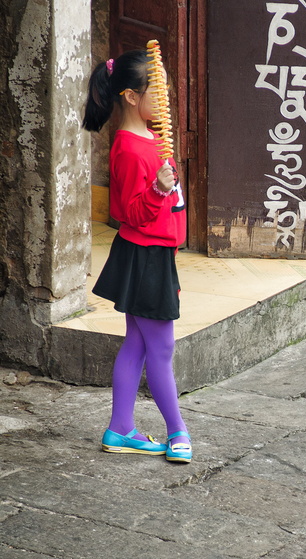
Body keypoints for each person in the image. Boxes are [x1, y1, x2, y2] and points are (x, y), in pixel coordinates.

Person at [82, 49, 192, 464]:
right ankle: (178, 431)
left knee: (138, 344)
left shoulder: (150, 137)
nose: (164, 101)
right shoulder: (129, 148)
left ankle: (120, 428)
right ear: (130, 96)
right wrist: (160, 188)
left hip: (154, 255)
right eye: (156, 92)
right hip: (144, 257)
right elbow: (128, 212)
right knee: (161, 349)